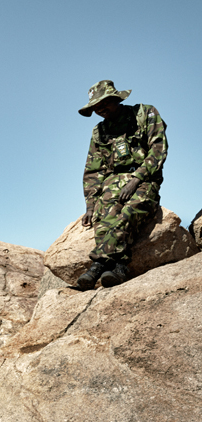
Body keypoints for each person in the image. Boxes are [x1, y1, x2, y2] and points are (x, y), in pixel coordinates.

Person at [75, 80, 168, 290]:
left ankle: (99, 265)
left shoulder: (145, 113)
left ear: (116, 99)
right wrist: (90, 206)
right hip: (112, 183)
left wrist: (135, 180)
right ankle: (116, 267)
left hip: (145, 178)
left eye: (104, 104)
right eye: (95, 108)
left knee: (129, 213)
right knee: (103, 219)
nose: (100, 111)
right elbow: (93, 171)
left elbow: (158, 149)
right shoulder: (99, 132)